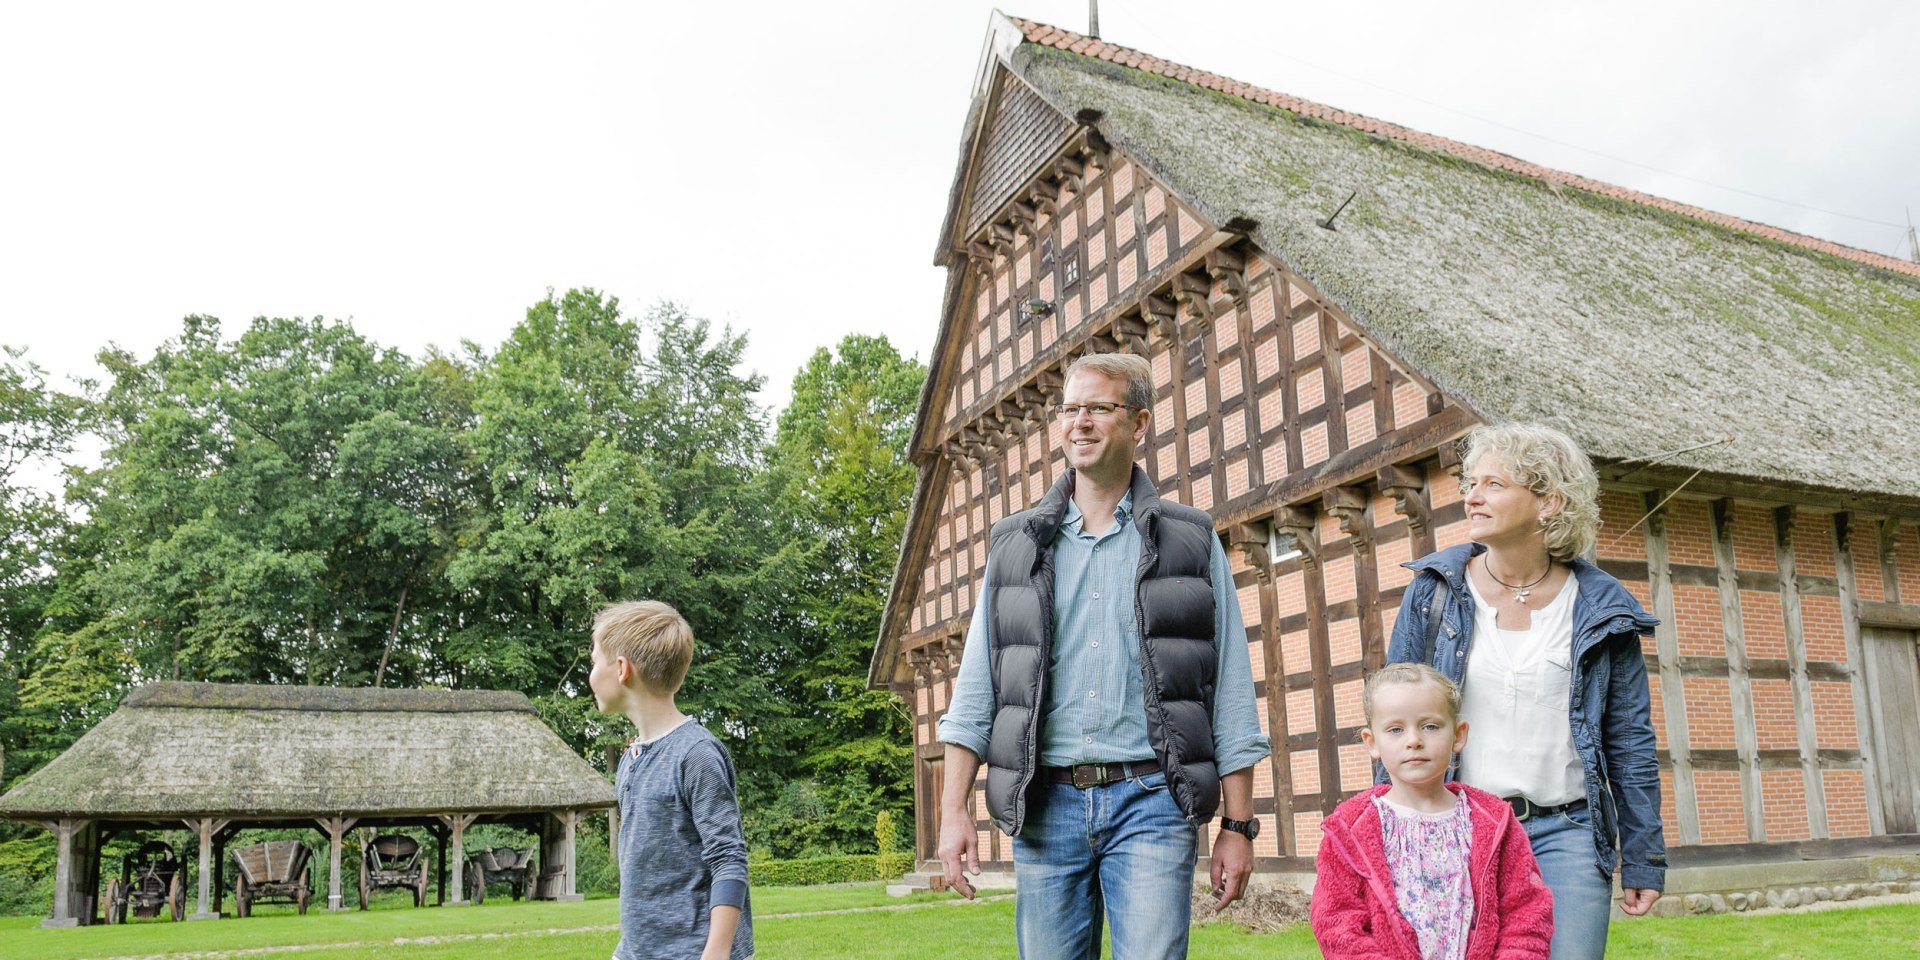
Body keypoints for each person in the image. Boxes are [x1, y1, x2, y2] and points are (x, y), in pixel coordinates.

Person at [935, 351, 1271, 960]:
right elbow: (978, 688)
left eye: (1098, 407)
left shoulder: (1190, 539)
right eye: (1070, 409)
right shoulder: (1016, 545)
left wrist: (1238, 826)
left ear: (1139, 423)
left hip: (1152, 801)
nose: (1079, 422)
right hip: (1046, 807)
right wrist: (953, 810)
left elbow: (1231, 692)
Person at [1387, 422, 1665, 960]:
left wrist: (1643, 854)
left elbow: (1629, 742)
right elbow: (1394, 718)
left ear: (1548, 502)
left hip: (1569, 833)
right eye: (1471, 482)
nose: (1472, 496)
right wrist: (1390, 830)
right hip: (1459, 827)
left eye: (1494, 484)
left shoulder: (1603, 608)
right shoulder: (1434, 593)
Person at [1312, 663, 1553, 960]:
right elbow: (1338, 925)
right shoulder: (1349, 831)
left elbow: (1526, 912)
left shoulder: (1494, 822)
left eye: (1430, 726)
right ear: (1371, 743)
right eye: (1396, 729)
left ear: (1458, 735)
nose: (1414, 740)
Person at [589, 600, 753, 960]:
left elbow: (729, 858)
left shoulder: (695, 754)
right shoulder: (633, 760)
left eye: (593, 662)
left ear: (621, 669)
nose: (590, 676)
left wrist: (716, 952)